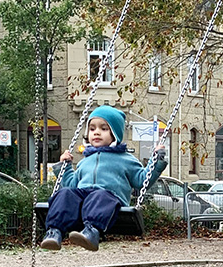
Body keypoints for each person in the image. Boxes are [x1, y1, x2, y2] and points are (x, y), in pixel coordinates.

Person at [41, 105, 166, 252]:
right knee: (65, 193)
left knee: (99, 195)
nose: (96, 133)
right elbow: (72, 184)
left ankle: (91, 233)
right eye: (92, 129)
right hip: (83, 199)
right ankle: (54, 232)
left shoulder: (126, 159)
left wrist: (156, 162)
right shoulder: (84, 161)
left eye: (104, 129)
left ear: (115, 134)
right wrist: (65, 167)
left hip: (108, 198)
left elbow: (141, 180)